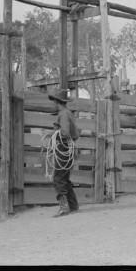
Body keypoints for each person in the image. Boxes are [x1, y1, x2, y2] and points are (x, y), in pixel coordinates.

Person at [48, 89, 80, 217]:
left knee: (58, 178)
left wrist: (53, 134)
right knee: (64, 178)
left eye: (54, 102)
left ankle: (64, 207)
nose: (53, 104)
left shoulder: (63, 114)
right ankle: (73, 205)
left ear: (57, 102)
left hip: (63, 149)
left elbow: (65, 132)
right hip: (68, 148)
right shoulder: (68, 113)